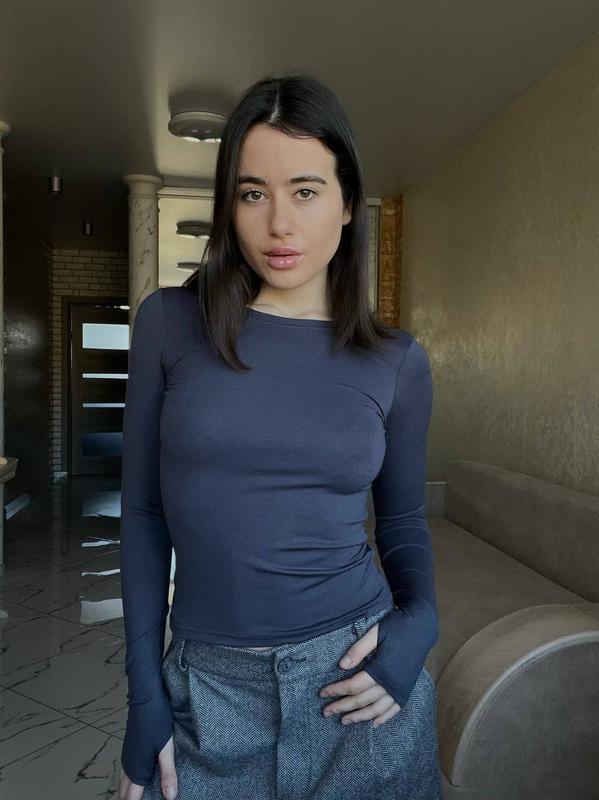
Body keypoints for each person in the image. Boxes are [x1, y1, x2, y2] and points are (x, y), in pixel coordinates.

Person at [118, 72, 443, 800]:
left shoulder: (395, 361)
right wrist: (143, 702)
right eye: (252, 193)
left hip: (356, 681)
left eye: (305, 191)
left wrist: (420, 623)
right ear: (228, 205)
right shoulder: (168, 324)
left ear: (347, 202)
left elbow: (401, 522)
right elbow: (142, 515)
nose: (279, 224)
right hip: (207, 691)